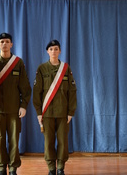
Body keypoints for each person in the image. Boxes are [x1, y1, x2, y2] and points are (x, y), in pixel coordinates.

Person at [33, 40, 77, 175]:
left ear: (60, 51)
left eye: (56, 49)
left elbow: (72, 91)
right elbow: (37, 92)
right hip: (47, 113)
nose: (53, 51)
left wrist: (71, 112)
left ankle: (60, 168)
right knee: (48, 142)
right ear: (47, 51)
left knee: (63, 141)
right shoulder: (42, 69)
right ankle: (51, 168)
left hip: (63, 113)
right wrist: (39, 112)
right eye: (51, 49)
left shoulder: (66, 68)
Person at [0, 33, 32, 175]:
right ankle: (2, 167)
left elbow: (26, 88)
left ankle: (13, 168)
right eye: (1, 41)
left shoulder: (18, 63)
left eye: (7, 41)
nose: (4, 44)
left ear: (11, 44)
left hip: (14, 109)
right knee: (0, 139)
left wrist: (23, 105)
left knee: (14, 140)